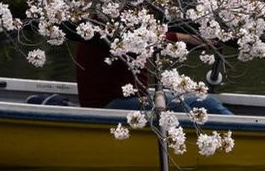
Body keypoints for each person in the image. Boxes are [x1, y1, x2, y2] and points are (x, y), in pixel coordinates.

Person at [75, 31, 232, 114]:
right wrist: (185, 38)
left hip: (126, 100)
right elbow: (145, 40)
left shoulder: (98, 26)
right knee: (206, 105)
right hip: (110, 106)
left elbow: (151, 38)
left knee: (205, 102)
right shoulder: (105, 32)